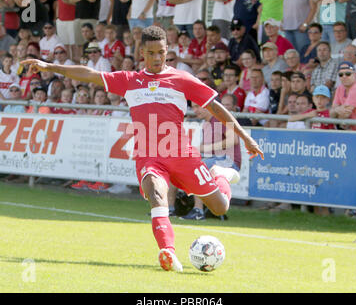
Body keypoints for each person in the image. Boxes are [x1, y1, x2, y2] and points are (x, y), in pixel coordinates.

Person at [21, 26, 264, 272]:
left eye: (161, 52)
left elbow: (216, 107)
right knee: (157, 195)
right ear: (142, 53)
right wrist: (48, 66)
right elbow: (89, 74)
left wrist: (245, 137)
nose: (157, 58)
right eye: (151, 53)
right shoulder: (129, 81)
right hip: (150, 157)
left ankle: (220, 175)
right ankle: (168, 252)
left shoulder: (182, 79)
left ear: (167, 51)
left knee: (220, 206)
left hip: (182, 155)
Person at [180, 101, 242, 221]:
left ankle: (198, 210)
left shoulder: (220, 118)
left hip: (229, 160)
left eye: (198, 106)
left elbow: (233, 139)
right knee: (185, 166)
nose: (195, 110)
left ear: (207, 107)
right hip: (215, 159)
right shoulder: (206, 124)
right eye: (193, 107)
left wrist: (206, 148)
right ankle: (172, 208)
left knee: (198, 169)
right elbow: (204, 148)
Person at [331, 61, 356, 131]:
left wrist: (336, 110)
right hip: (354, 131)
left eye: (348, 74)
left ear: (355, 75)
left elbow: (345, 114)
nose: (344, 76)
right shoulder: (340, 88)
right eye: (341, 75)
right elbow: (331, 113)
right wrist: (336, 110)